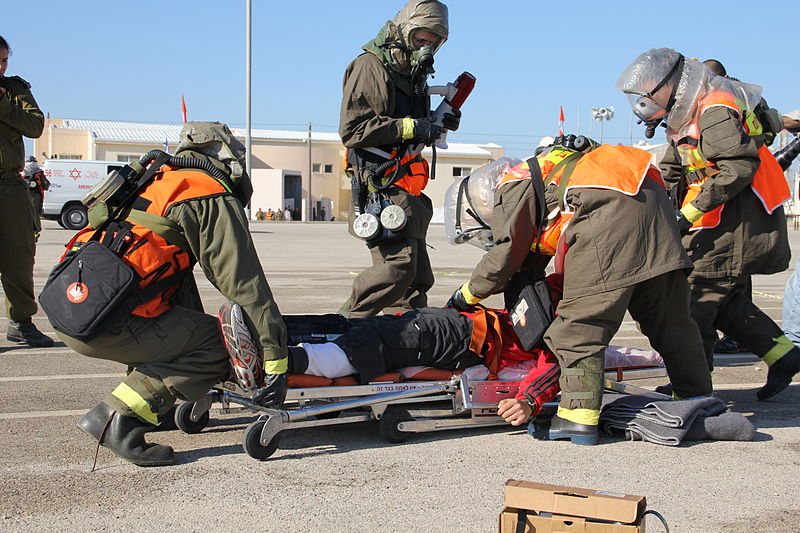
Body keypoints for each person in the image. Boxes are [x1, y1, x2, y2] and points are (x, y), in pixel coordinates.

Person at [446, 136, 713, 445]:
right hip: (655, 209)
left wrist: (467, 294)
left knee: (579, 328)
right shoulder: (561, 165)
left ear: (480, 205)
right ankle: (696, 396)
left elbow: (506, 254)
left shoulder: (511, 183)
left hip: (610, 218)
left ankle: (577, 417)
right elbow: (533, 251)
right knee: (669, 320)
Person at [56, 122, 288, 467]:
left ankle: (154, 405)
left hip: (71, 309)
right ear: (228, 159)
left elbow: (170, 279)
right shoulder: (207, 192)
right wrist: (274, 356)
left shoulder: (155, 180)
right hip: (109, 324)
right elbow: (243, 283)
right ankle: (116, 419)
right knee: (220, 346)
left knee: (182, 330)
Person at [618, 48, 799, 401]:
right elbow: (672, 170)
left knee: (695, 300)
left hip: (735, 220)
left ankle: (692, 389)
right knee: (725, 302)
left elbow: (738, 169)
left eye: (649, 90)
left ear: (669, 85)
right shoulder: (684, 116)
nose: (645, 99)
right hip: (716, 218)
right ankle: (784, 355)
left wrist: (688, 213)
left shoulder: (715, 109)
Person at [222, 301, 562, 426]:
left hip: (449, 332)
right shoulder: (560, 330)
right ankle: (265, 357)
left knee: (353, 337)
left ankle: (256, 344)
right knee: (362, 350)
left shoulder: (550, 303)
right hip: (454, 337)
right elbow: (553, 367)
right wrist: (530, 398)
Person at [339, 0, 460, 318]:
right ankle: (337, 331)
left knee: (416, 280)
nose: (427, 47)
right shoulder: (371, 66)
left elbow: (409, 133)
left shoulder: (412, 74)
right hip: (381, 185)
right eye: (422, 38)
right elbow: (353, 130)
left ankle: (406, 345)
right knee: (397, 269)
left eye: (434, 42)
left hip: (407, 187)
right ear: (406, 31)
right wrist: (413, 125)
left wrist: (436, 125)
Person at [0, 36, 53, 348]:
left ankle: (21, 322)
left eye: (4, 61)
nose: (1, 67)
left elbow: (34, 126)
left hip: (11, 185)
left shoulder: (16, 90)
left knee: (19, 255)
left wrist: (3, 103)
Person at [22, 156, 49, 240]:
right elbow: (46, 185)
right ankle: (34, 232)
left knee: (28, 215)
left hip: (26, 196)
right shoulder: (39, 172)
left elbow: (45, 185)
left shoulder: (22, 172)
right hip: (35, 196)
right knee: (34, 214)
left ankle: (32, 232)